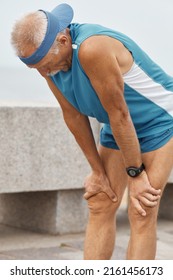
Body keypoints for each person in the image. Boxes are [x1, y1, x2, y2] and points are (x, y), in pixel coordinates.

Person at [11, 3, 173, 260]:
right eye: (36, 68)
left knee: (141, 209)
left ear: (63, 40)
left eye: (45, 65)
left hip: (159, 120)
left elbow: (120, 114)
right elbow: (73, 115)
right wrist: (98, 171)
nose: (43, 73)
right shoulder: (49, 60)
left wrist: (135, 173)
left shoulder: (92, 49)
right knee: (100, 201)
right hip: (118, 126)